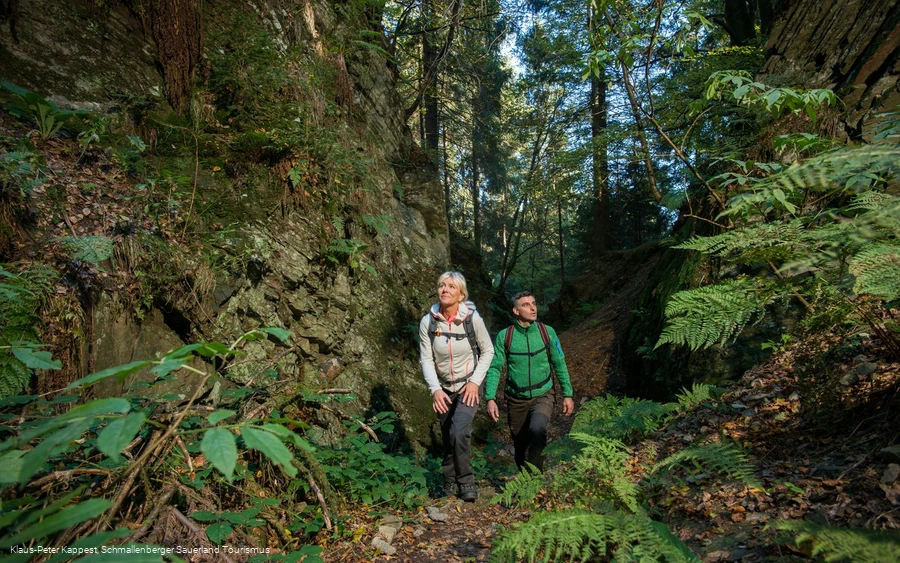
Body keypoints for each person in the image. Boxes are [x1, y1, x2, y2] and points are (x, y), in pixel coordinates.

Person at [419, 271, 495, 501]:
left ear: (461, 294)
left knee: (459, 430)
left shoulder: (472, 319)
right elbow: (426, 358)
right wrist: (435, 389)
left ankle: (467, 483)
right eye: (442, 285)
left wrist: (474, 383)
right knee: (447, 435)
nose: (445, 290)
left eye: (451, 287)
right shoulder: (428, 321)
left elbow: (488, 351)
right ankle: (450, 482)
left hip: (468, 385)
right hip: (442, 387)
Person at [484, 291, 574, 472]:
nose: (533, 308)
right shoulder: (505, 336)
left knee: (538, 428)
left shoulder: (547, 332)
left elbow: (559, 362)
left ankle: (537, 479)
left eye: (534, 303)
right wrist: (490, 397)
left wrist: (568, 394)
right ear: (516, 311)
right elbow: (495, 367)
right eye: (526, 305)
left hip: (544, 393)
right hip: (516, 399)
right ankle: (526, 480)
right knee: (520, 447)